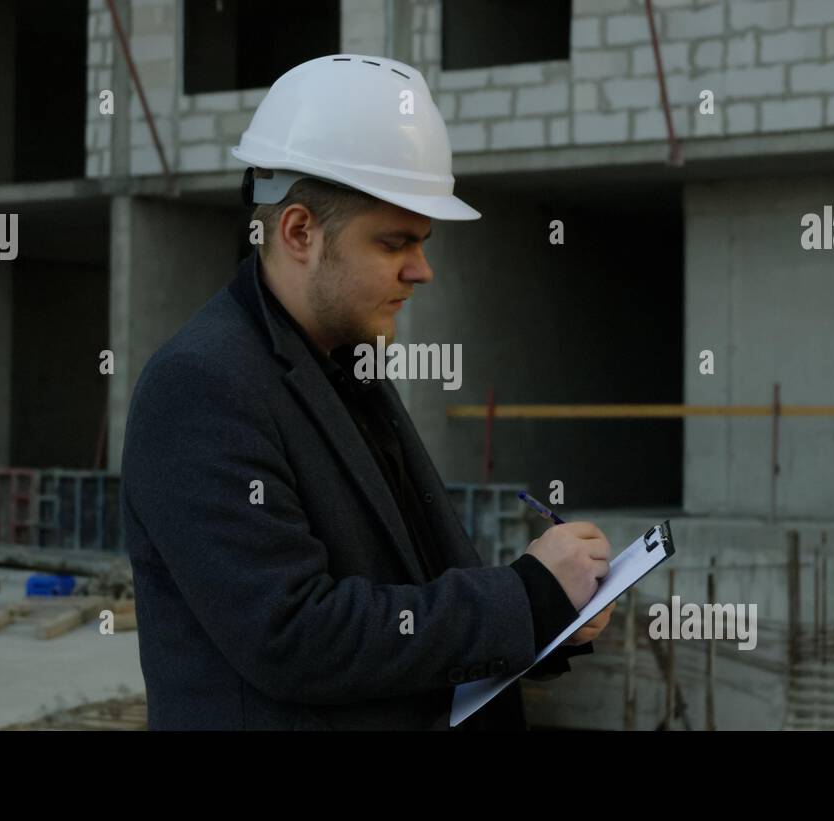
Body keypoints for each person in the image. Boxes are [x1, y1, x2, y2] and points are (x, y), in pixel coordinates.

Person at [122, 54, 615, 730]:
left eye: (423, 241)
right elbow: (294, 634)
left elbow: (406, 588)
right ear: (299, 231)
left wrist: (552, 615)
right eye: (395, 243)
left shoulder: (344, 363)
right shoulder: (202, 387)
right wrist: (523, 598)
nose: (423, 270)